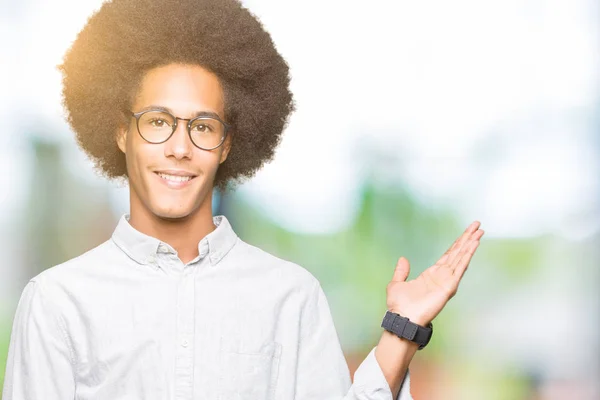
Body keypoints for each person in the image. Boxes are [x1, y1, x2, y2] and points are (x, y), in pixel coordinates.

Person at [2, 0, 484, 399]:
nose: (179, 146)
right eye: (157, 121)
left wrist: (403, 331)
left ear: (228, 145)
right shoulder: (56, 303)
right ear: (121, 133)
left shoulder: (290, 296)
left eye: (203, 126)